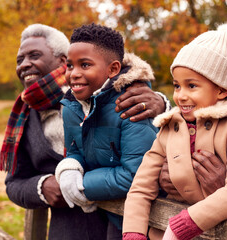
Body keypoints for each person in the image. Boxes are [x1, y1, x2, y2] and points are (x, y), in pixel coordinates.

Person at [0, 23, 167, 240]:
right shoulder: (24, 116)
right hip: (69, 229)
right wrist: (43, 186)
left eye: (34, 55)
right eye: (20, 60)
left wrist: (162, 103)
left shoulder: (127, 97)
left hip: (123, 224)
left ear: (61, 60)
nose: (25, 64)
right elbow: (14, 183)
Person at [122, 24, 227, 240]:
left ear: (221, 89)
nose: (180, 96)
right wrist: (133, 233)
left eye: (191, 86)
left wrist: (186, 223)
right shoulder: (169, 126)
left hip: (208, 232)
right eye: (177, 86)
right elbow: (141, 187)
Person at [54, 23, 159, 239]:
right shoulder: (72, 107)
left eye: (85, 65)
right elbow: (75, 151)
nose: (74, 73)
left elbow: (136, 175)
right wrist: (70, 168)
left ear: (112, 69)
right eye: (70, 65)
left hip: (148, 221)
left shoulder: (131, 105)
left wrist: (83, 186)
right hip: (113, 216)